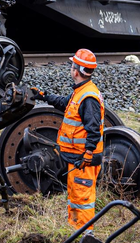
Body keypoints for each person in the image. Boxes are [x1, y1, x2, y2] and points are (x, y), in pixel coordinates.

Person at [35, 49, 104, 229]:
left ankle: (85, 237)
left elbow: (94, 129)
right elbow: (63, 103)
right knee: (75, 198)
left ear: (76, 70)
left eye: (72, 65)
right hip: (76, 159)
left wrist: (88, 153)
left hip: (84, 160)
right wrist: (43, 96)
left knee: (83, 201)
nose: (70, 68)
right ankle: (74, 232)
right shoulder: (80, 92)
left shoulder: (88, 97)